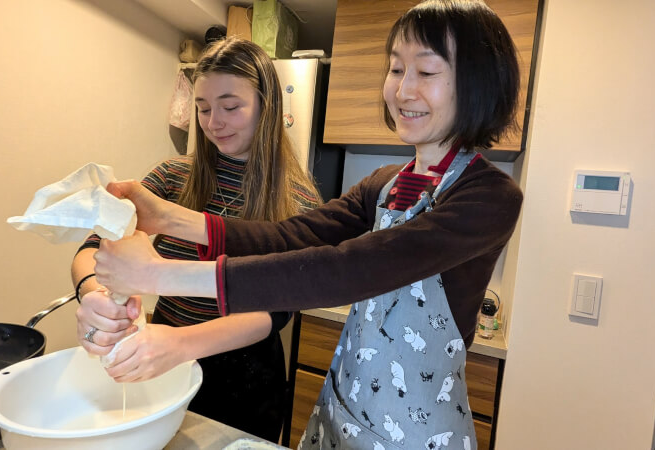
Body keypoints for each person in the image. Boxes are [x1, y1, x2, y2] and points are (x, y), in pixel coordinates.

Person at [90, 1, 522, 448]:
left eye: (426, 73)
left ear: (477, 83)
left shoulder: (489, 197)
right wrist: (171, 218)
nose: (402, 91)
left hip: (414, 432)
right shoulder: (384, 184)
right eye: (396, 70)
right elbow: (289, 238)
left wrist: (160, 274)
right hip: (343, 408)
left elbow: (351, 268)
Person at [71, 37, 321, 442]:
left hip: (243, 378)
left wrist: (181, 344)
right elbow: (93, 248)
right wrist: (94, 296)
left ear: (266, 106)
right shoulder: (172, 176)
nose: (212, 122)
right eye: (203, 108)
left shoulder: (298, 202)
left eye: (230, 106)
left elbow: (275, 311)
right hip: (161, 354)